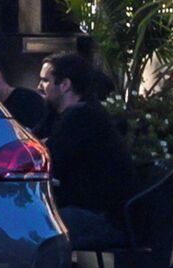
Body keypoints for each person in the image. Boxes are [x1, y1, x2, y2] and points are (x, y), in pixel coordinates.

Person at [41, 51, 144, 254]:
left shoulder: (83, 117)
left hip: (105, 220)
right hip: (90, 210)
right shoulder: (64, 113)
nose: (39, 87)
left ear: (65, 85)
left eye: (45, 81)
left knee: (38, 227)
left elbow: (48, 159)